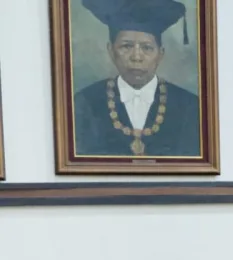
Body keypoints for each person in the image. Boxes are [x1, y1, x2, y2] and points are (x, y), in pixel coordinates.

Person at [73, 0, 201, 158]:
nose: (136, 57)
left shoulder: (190, 106)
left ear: (160, 54)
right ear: (111, 51)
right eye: (126, 46)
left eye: (147, 48)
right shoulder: (84, 103)